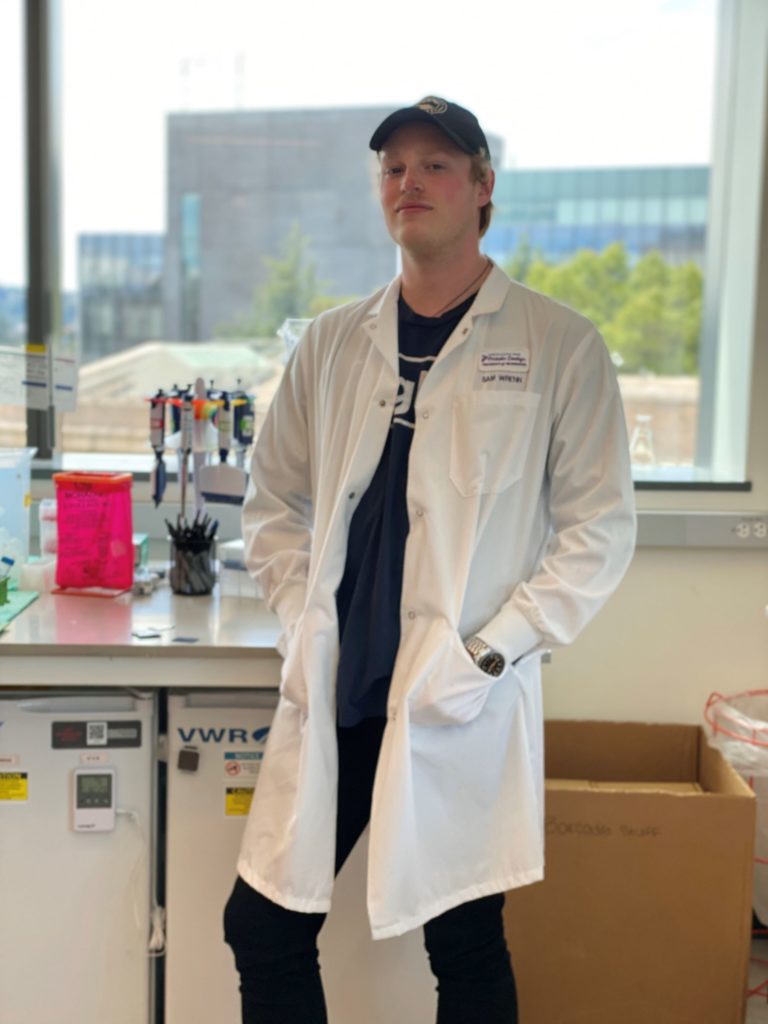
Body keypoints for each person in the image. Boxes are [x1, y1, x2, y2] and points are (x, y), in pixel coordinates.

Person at [224, 96, 636, 1023]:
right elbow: (274, 501)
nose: (410, 182)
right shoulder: (332, 342)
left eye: (437, 165)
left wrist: (489, 654)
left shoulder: (557, 343)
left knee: (463, 941)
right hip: (340, 687)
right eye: (394, 167)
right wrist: (300, 615)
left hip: (454, 694)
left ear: (483, 188)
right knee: (263, 927)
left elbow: (596, 531)